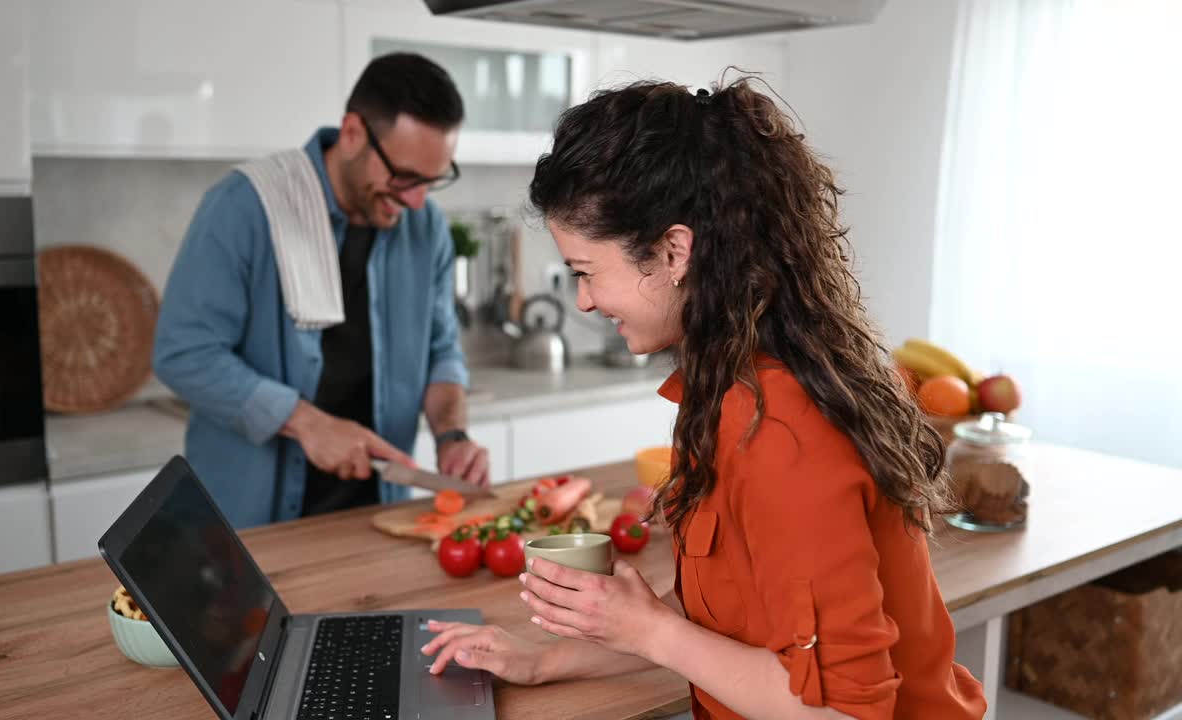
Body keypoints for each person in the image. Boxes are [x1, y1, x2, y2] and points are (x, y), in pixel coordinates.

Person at [421, 79, 988, 719]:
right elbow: (722, 623)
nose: (582, 300)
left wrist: (648, 629)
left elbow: (847, 715)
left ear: (673, 251)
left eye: (585, 272)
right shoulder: (727, 388)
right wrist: (538, 660)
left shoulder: (783, 427)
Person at [153, 53, 489, 529]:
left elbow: (440, 351)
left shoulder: (425, 226)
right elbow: (183, 352)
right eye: (406, 177)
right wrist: (308, 423)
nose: (416, 200)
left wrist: (452, 434)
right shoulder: (245, 206)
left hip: (379, 511)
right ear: (352, 133)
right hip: (251, 525)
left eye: (432, 182)